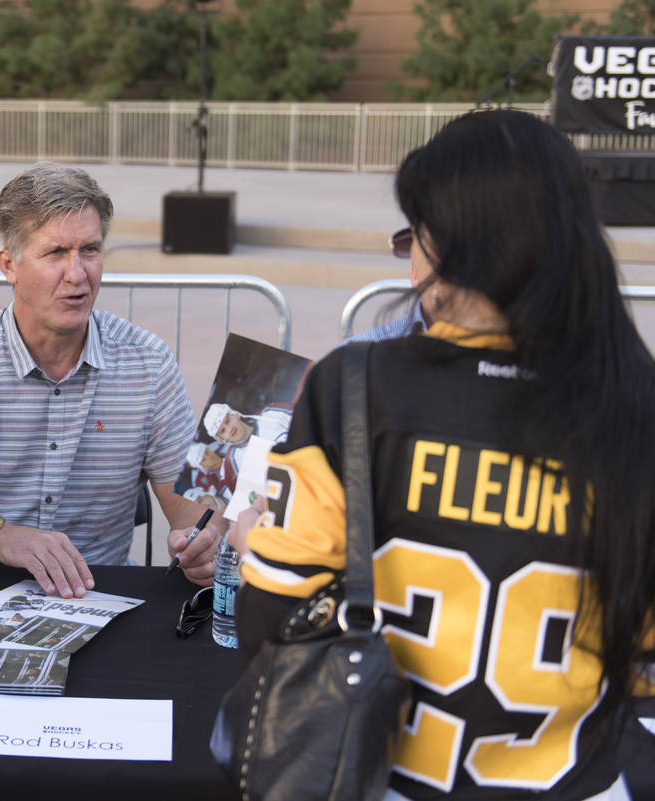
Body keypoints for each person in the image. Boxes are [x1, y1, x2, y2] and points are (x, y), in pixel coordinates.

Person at [234, 109, 655, 800]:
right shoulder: (638, 403)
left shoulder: (357, 384)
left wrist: (256, 539)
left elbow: (272, 621)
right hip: (578, 781)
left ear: (448, 242)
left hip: (395, 780)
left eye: (415, 233)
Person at [0, 162, 227, 597]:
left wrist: (201, 540)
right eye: (55, 253)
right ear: (9, 265)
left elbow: (193, 504)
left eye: (90, 249)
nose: (77, 273)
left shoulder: (148, 364)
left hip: (99, 598)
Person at [202, 401, 293, 446]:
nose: (229, 429)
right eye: (222, 431)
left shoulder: (271, 414)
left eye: (228, 421)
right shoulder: (237, 463)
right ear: (222, 440)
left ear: (236, 415)